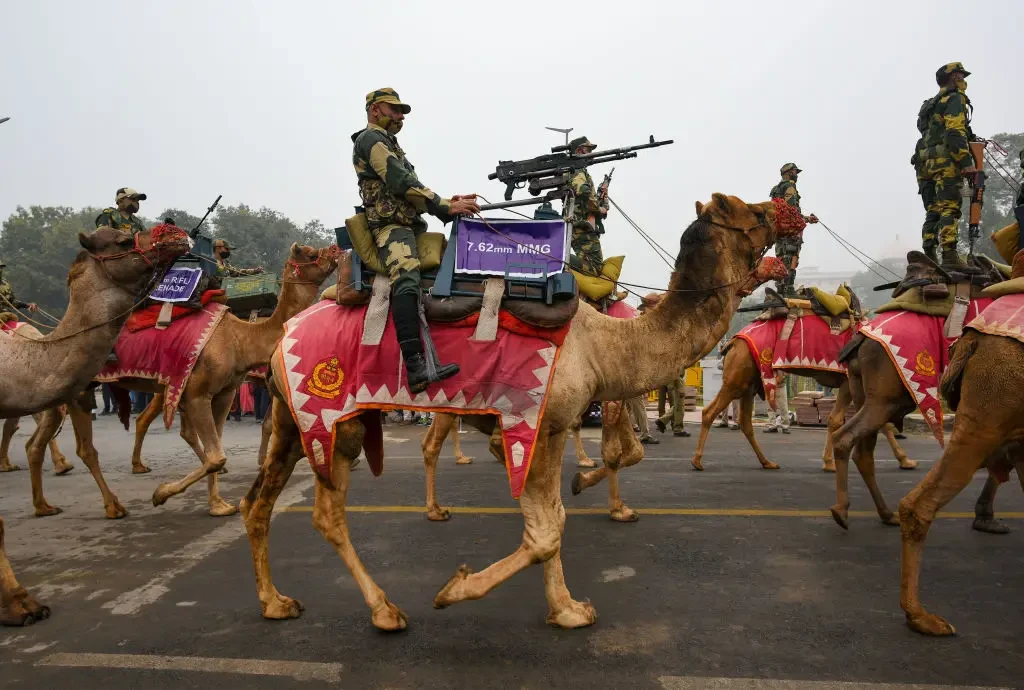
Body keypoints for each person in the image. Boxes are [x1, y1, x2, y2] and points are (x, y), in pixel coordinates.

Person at [352, 87, 480, 393]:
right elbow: (400, 181)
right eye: (394, 110)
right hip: (390, 227)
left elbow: (411, 187)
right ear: (374, 110)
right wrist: (444, 206)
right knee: (407, 278)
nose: (400, 116)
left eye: (402, 112)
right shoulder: (370, 139)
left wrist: (448, 201)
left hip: (409, 224)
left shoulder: (389, 143)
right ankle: (416, 366)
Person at [915, 62, 977, 269]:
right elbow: (954, 131)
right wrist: (967, 163)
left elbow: (930, 132)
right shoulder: (954, 99)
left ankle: (929, 255)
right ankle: (949, 255)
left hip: (924, 162)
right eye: (961, 75)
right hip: (945, 162)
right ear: (954, 77)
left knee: (933, 209)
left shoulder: (930, 104)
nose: (963, 79)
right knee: (949, 206)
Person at [769, 163, 819, 297]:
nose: (797, 175)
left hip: (779, 231)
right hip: (791, 231)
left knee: (780, 259)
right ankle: (789, 290)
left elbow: (780, 211)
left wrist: (806, 218)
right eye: (795, 172)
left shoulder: (776, 189)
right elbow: (791, 211)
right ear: (789, 172)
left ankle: (780, 290)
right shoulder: (790, 186)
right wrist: (807, 219)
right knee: (792, 259)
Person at [567, 136, 607, 277]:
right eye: (588, 150)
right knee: (594, 267)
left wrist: (602, 199)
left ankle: (560, 258)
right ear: (579, 151)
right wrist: (598, 208)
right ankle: (558, 258)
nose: (591, 153)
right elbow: (583, 191)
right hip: (581, 225)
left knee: (593, 266)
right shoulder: (577, 171)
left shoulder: (579, 170)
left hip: (581, 224)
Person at [655, 369, 692, 438]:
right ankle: (677, 428)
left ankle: (662, 421)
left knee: (676, 404)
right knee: (679, 405)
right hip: (675, 378)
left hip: (671, 378)